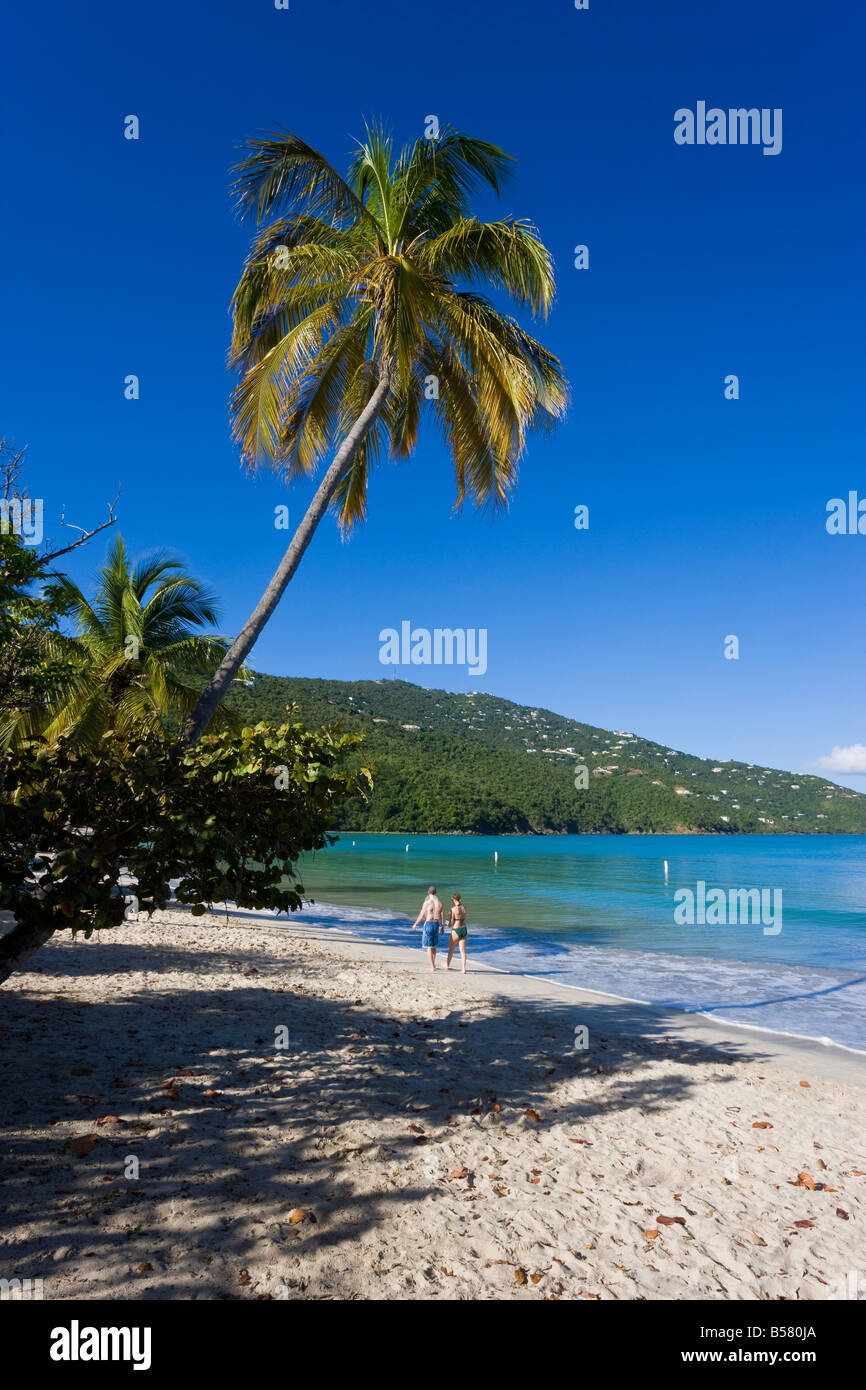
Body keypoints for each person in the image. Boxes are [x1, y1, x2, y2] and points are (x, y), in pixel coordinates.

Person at [412, 885, 445, 971]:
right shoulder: (440, 903)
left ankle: (432, 966)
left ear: (428, 892)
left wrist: (415, 924)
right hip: (436, 924)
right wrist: (443, 927)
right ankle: (433, 964)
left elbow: (421, 914)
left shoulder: (427, 902)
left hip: (429, 924)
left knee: (429, 947)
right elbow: (442, 916)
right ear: (436, 893)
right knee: (434, 946)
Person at [446, 893, 469, 973]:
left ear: (454, 899)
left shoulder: (453, 909)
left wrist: (447, 923)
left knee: (451, 949)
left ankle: (447, 965)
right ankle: (463, 969)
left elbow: (451, 923)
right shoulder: (464, 907)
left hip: (456, 930)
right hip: (464, 929)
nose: (452, 901)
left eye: (452, 900)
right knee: (462, 950)